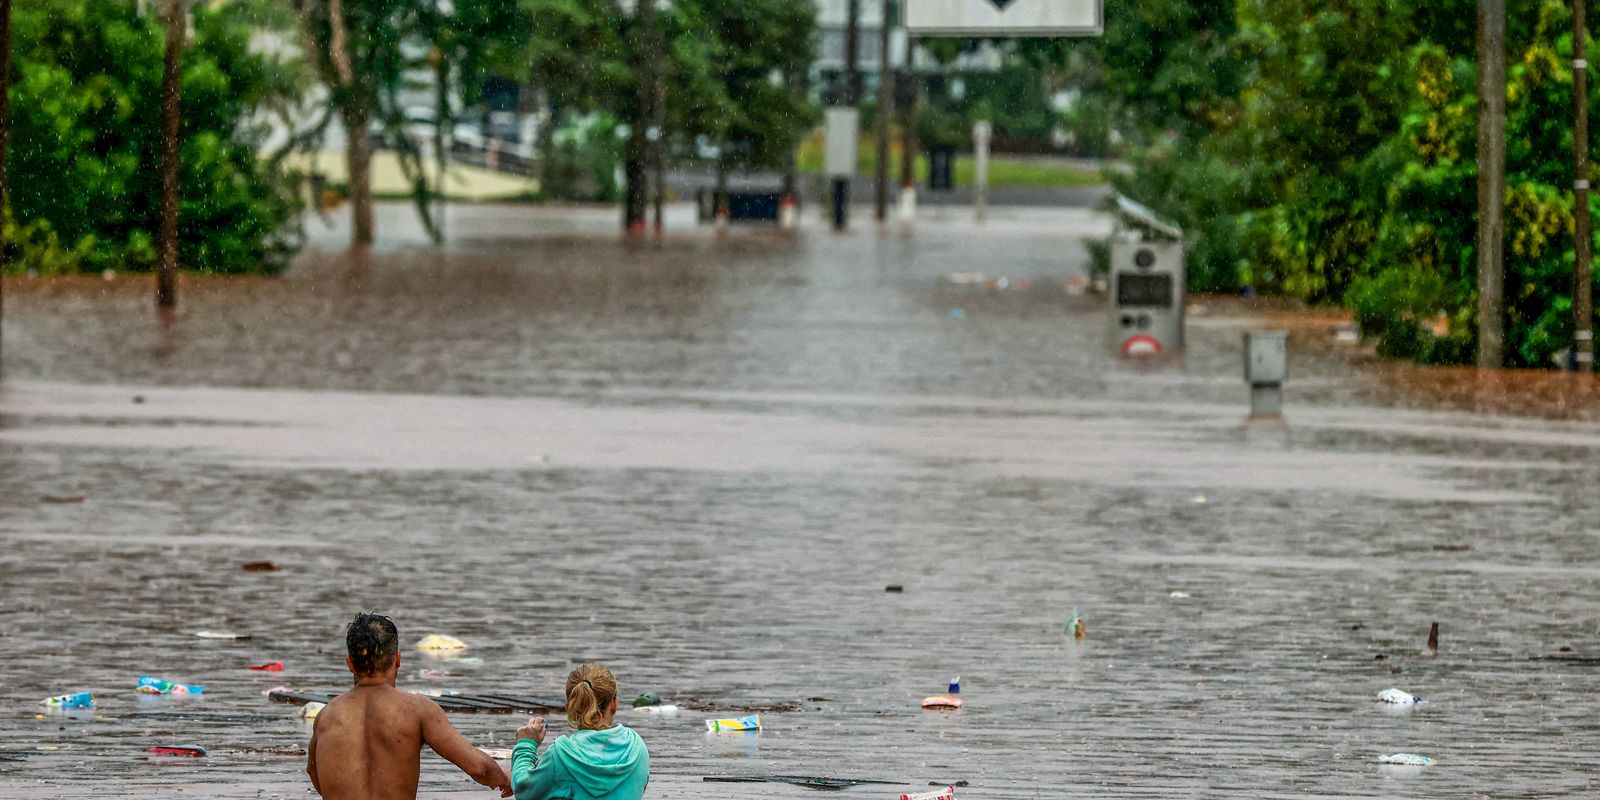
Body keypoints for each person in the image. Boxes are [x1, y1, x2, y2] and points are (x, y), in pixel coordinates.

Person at [307, 612, 512, 799]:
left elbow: (313, 770)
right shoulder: (418, 710)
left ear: (350, 663)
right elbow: (478, 767)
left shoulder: (326, 715)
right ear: (397, 660)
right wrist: (506, 777)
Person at [511, 664, 649, 800]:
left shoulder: (561, 754)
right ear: (614, 704)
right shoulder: (637, 748)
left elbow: (523, 790)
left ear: (571, 706)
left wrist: (526, 745)